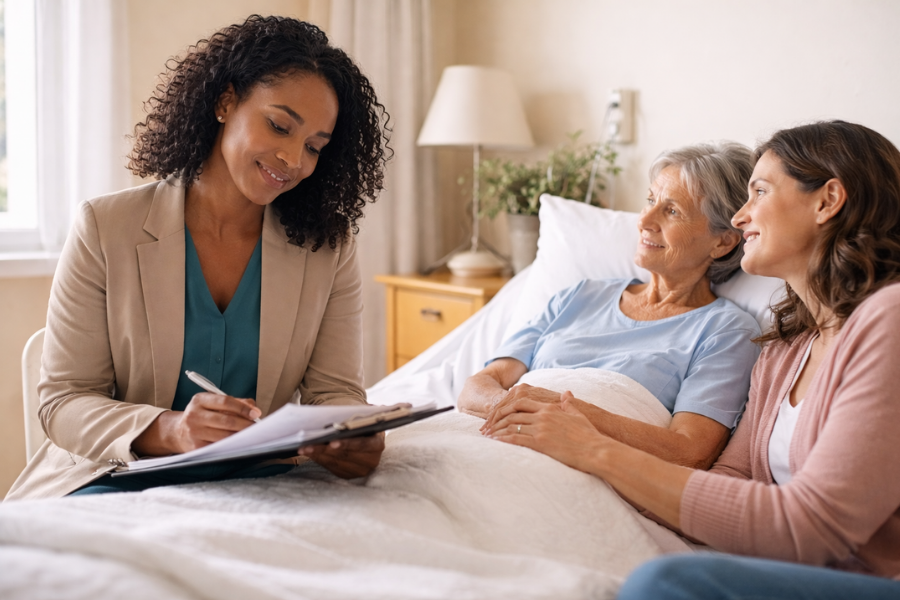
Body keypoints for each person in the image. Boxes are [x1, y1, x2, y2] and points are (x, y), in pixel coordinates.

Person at [487, 121, 900, 597]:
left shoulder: (887, 320)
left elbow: (809, 528)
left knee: (661, 582)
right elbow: (729, 478)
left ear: (827, 201)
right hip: (782, 570)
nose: (742, 216)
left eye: (760, 191)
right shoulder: (785, 351)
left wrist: (594, 448)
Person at [6, 16, 390, 500]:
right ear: (226, 102)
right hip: (113, 482)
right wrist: (173, 431)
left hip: (255, 486)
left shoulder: (327, 247)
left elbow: (334, 392)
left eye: (314, 147)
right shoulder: (105, 228)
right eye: (279, 126)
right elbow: (63, 402)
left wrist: (348, 436)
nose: (294, 160)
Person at [461, 142, 761, 469]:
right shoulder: (578, 296)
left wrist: (559, 412)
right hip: (496, 440)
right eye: (650, 201)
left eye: (672, 210)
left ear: (723, 241)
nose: (644, 219)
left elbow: (689, 451)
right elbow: (478, 387)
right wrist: (514, 407)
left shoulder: (726, 331)